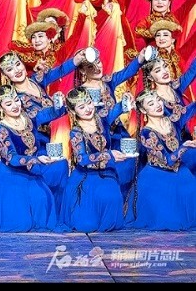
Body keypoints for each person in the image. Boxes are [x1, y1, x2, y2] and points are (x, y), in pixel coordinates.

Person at [0, 84, 68, 232]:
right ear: (0, 108)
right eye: (9, 104)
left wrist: (59, 102)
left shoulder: (29, 117)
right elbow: (11, 158)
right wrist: (36, 160)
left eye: (16, 100)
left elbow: (55, 113)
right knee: (21, 223)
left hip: (31, 170)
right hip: (11, 173)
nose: (15, 106)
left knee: (42, 199)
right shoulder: (1, 129)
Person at [60, 87, 133, 232]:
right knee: (87, 226)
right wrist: (109, 155)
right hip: (85, 177)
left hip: (106, 173)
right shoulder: (76, 132)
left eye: (89, 103)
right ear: (73, 111)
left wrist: (126, 99)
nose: (88, 109)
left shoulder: (102, 118)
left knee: (111, 208)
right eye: (81, 107)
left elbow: (119, 108)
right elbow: (82, 159)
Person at [125, 90, 196, 230]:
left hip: (180, 173)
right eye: (151, 104)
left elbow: (192, 108)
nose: (158, 105)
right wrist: (185, 146)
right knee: (170, 221)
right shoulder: (146, 133)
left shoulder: (173, 120)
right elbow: (167, 161)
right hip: (157, 178)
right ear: (143, 110)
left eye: (158, 100)